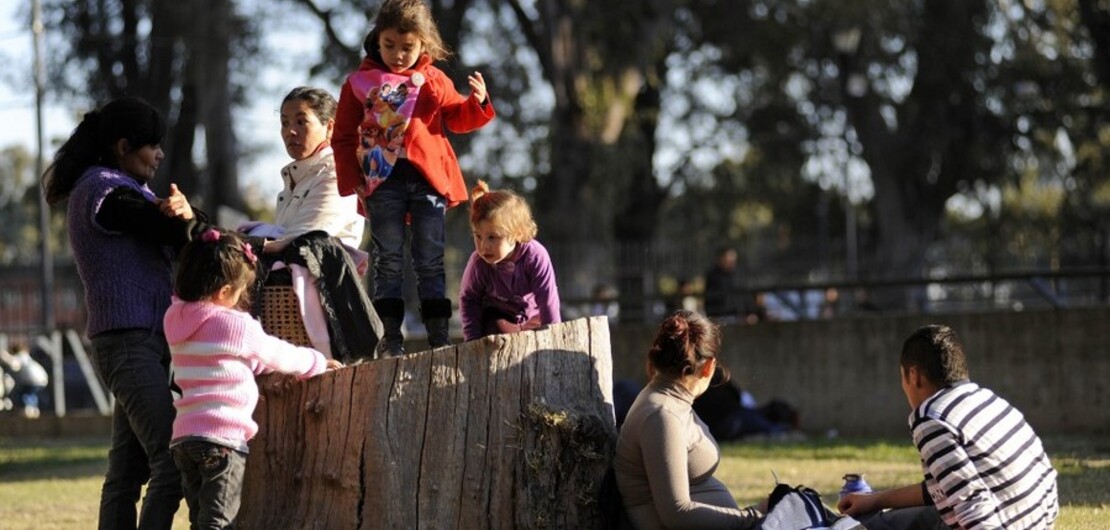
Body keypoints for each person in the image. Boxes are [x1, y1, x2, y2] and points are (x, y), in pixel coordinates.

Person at [42, 95, 215, 528]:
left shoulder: (125, 190)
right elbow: (180, 233)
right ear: (123, 146)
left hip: (140, 342)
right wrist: (190, 218)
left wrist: (190, 217)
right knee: (172, 462)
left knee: (126, 473)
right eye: (151, 146)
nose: (159, 155)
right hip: (128, 342)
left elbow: (184, 235)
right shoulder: (105, 192)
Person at [333, 0, 496, 355]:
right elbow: (343, 136)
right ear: (377, 40)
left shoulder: (434, 79)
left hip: (428, 181)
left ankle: (438, 336)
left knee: (430, 257)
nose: (398, 55)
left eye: (408, 47)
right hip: (382, 182)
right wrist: (353, 179)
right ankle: (390, 337)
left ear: (425, 44)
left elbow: (456, 117)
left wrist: (477, 102)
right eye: (389, 45)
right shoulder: (360, 82)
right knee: (388, 256)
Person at [164, 228, 341, 529]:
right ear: (223, 292)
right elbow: (277, 353)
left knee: (201, 519)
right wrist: (318, 361)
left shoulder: (174, 318)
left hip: (184, 438)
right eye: (239, 291)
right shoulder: (235, 324)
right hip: (222, 439)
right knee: (220, 521)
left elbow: (214, 356)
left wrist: (250, 364)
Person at [838, 324, 1059, 530]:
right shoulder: (985, 399)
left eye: (902, 377)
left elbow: (973, 505)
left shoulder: (930, 418)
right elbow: (945, 489)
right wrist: (875, 500)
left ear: (913, 376)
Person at [613, 310, 763, 529]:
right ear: (709, 367)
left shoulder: (671, 400)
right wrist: (753, 517)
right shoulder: (662, 415)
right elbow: (677, 513)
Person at [245, 86, 365, 254]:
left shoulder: (336, 173)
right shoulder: (296, 177)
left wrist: (250, 246)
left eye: (301, 122)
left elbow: (302, 239)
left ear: (330, 127)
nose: (290, 132)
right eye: (285, 123)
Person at [459, 180, 560, 342]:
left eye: (493, 237)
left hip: (531, 319)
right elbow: (469, 300)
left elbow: (547, 299)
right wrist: (472, 341)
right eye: (478, 236)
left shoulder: (535, 256)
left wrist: (554, 338)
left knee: (540, 333)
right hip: (499, 321)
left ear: (517, 233)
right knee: (496, 331)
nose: (484, 245)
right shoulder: (479, 263)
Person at [0, 340, 49, 419]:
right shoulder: (27, 357)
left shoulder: (20, 356)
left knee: (23, 394)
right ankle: (34, 409)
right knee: (32, 394)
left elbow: (13, 363)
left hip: (31, 380)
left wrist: (3, 355)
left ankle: (29, 410)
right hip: (42, 379)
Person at [703, 246, 746, 324]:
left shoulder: (737, 275)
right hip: (720, 316)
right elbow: (710, 298)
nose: (732, 261)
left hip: (736, 316)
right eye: (729, 258)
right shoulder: (713, 276)